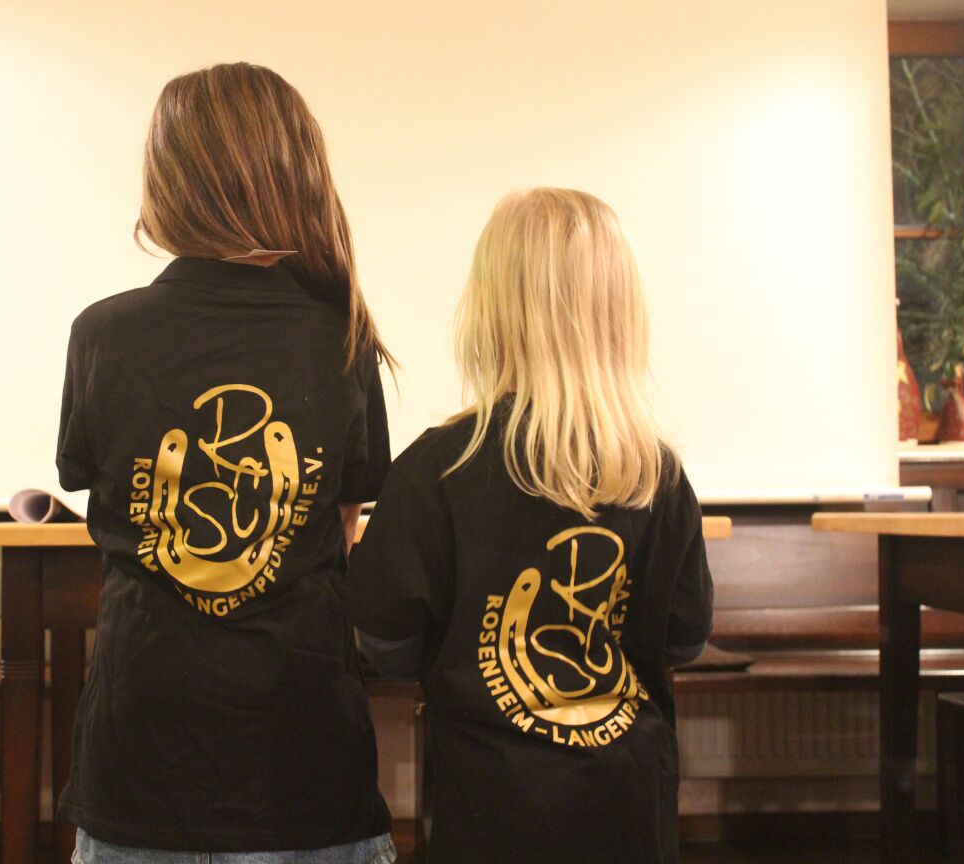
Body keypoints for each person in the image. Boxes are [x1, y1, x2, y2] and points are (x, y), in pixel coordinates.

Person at [55, 63, 396, 864]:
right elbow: (343, 529)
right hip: (304, 766)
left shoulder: (103, 335)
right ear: (298, 171)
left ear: (167, 181)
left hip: (142, 763)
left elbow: (93, 483)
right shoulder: (342, 336)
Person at [341, 188, 713, 864]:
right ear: (620, 314)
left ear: (490, 310)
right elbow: (684, 640)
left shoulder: (435, 470)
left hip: (490, 812)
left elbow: (386, 643)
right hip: (630, 808)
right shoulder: (657, 474)